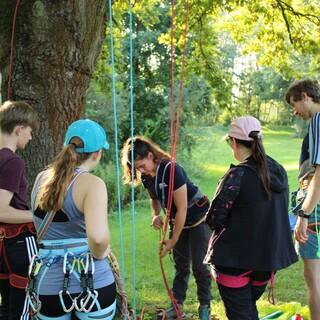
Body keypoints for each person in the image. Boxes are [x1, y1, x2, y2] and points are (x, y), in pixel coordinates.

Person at [204, 116, 298, 320]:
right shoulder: (278, 171)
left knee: (242, 314)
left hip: (234, 261)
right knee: (247, 311)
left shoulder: (236, 176)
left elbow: (214, 219)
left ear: (234, 142)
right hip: (267, 261)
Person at [28, 119, 116, 320]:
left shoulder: (41, 179)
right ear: (97, 153)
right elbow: (98, 239)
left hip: (47, 284)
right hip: (92, 282)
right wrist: (102, 252)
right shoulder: (92, 184)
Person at [121, 136, 212, 320]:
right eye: (137, 168)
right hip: (179, 220)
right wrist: (155, 215)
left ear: (149, 155)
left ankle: (205, 307)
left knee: (200, 267)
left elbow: (182, 208)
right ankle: (176, 307)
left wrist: (173, 240)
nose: (141, 170)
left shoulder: (172, 170)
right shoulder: (147, 176)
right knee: (180, 266)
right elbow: (154, 199)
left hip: (198, 219)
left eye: (142, 165)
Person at [0, 100, 39, 320]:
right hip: (18, 244)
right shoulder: (13, 161)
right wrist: (38, 217)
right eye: (30, 131)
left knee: (6, 308)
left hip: (2, 247)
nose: (31, 137)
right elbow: (1, 210)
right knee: (24, 310)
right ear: (19, 128)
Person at [286, 78, 320, 320]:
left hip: (316, 208)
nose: (294, 111)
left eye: (293, 104)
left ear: (306, 96)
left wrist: (303, 213)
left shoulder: (318, 120)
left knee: (314, 278)